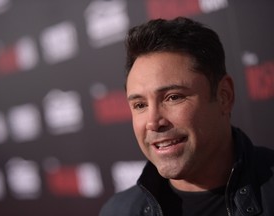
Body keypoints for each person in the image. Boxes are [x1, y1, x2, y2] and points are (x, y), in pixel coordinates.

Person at [99, 16, 274, 216]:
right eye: (140, 105)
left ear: (224, 96)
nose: (153, 122)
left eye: (173, 97)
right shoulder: (118, 211)